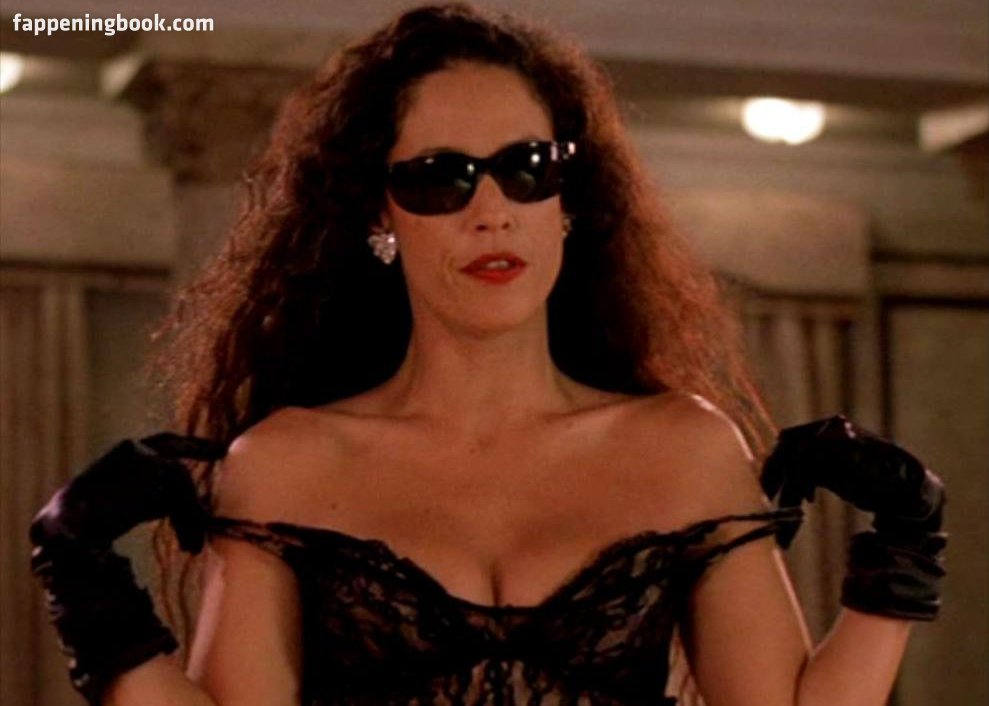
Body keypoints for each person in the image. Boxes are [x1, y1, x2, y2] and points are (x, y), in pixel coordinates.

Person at [29, 3, 947, 705]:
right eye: (442, 178)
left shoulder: (684, 448)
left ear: (566, 201)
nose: (491, 210)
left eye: (526, 167)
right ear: (379, 214)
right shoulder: (286, 463)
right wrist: (89, 587)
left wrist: (902, 555)